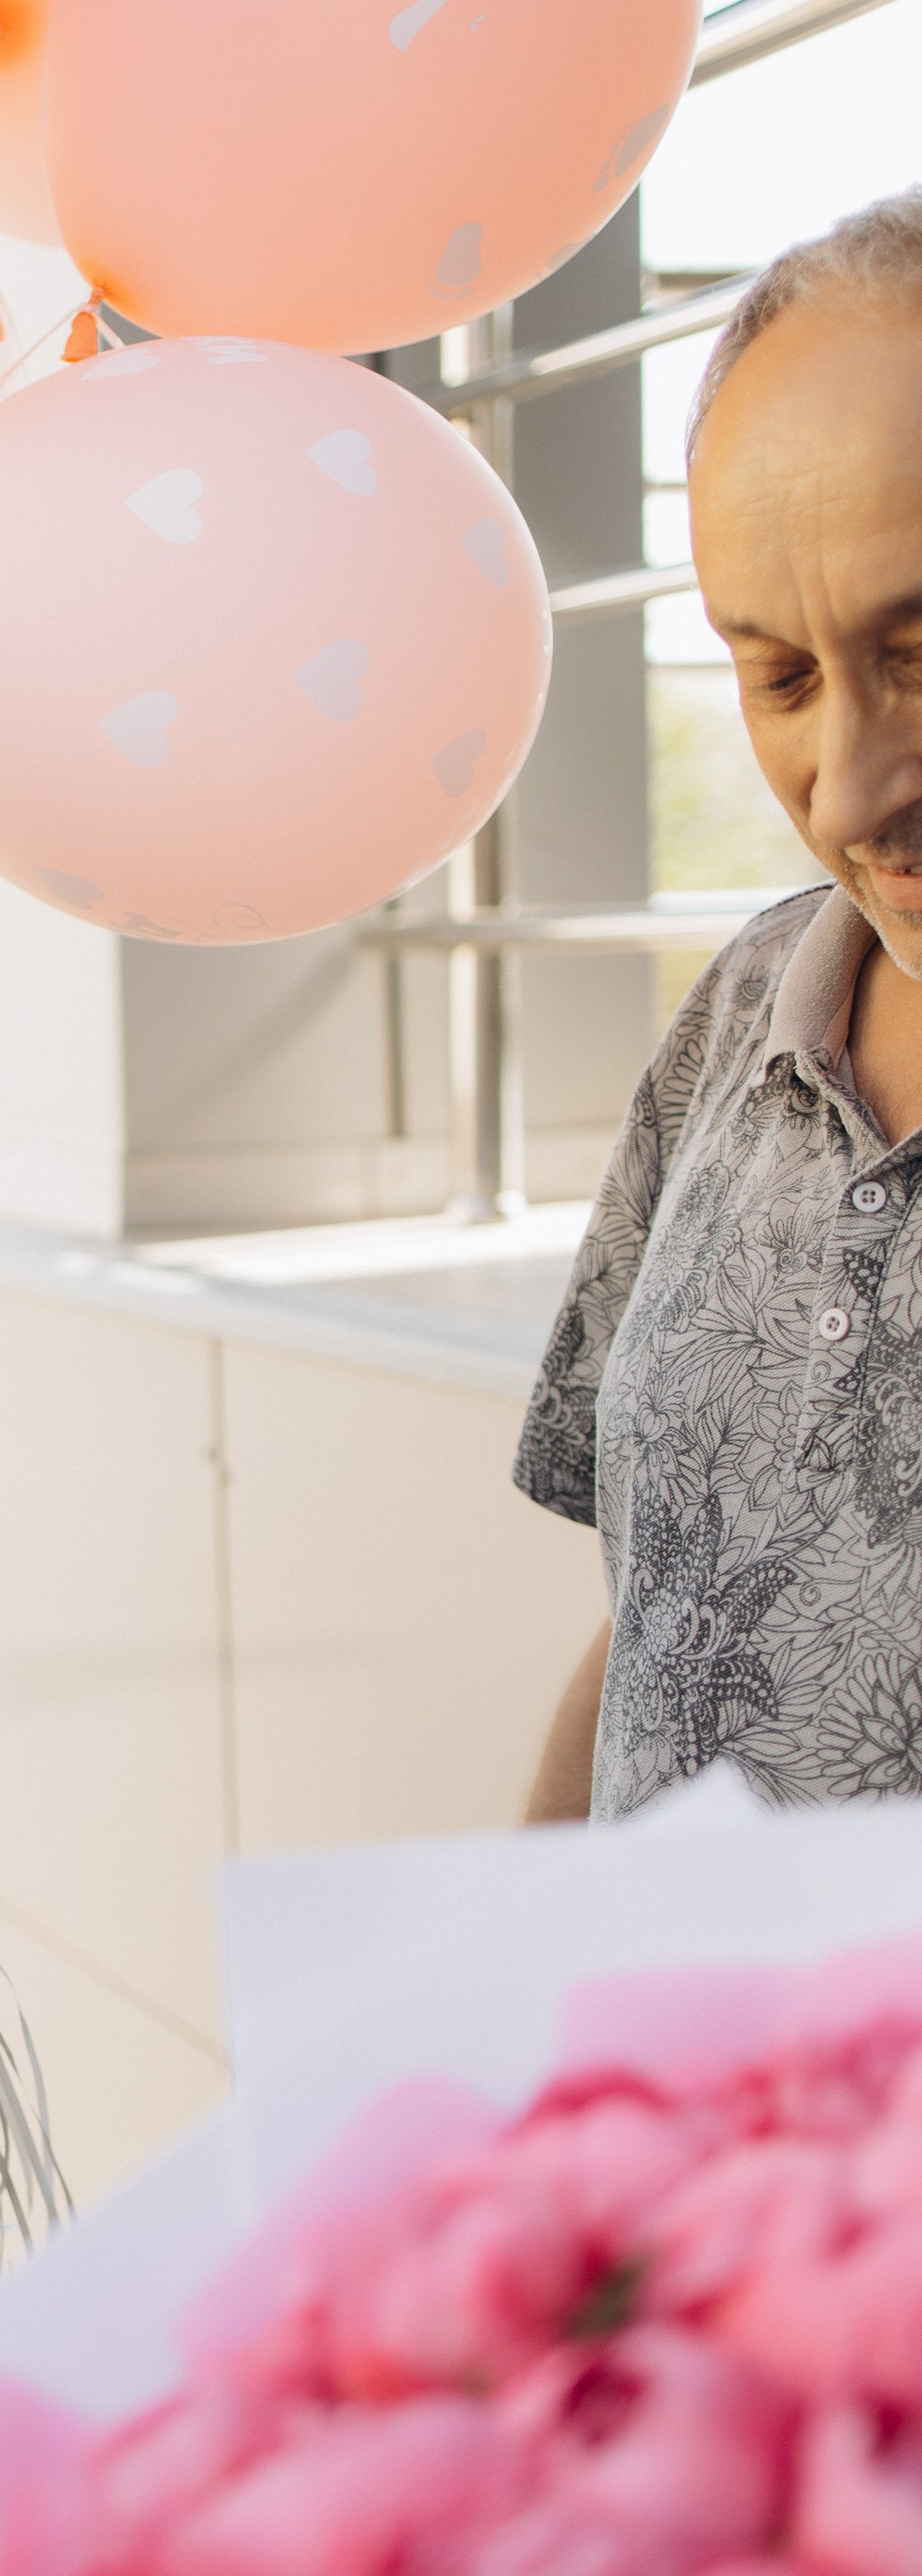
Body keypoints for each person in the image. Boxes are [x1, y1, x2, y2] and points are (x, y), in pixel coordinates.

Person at [519, 188, 922, 1818]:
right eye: (779, 674)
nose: (848, 786)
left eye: (921, 650)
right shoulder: (751, 1005)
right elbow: (660, 1626)